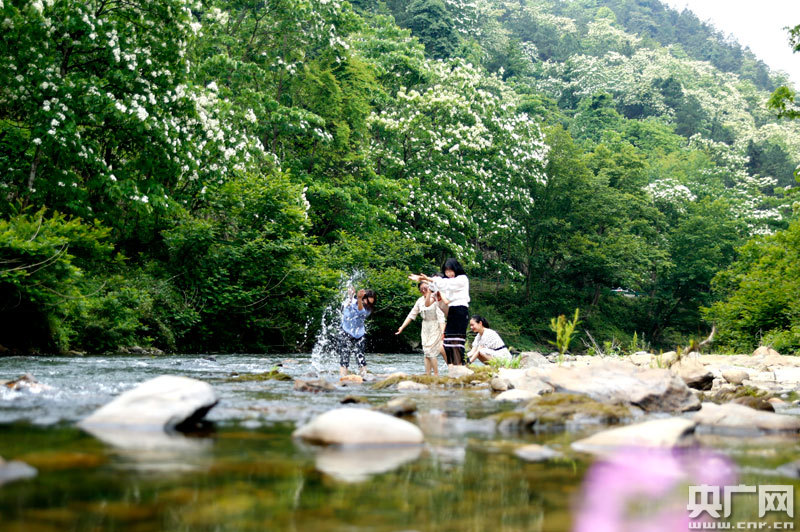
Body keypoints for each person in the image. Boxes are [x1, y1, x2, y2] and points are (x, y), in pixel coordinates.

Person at [409, 258, 470, 366]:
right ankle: (454, 366)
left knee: (456, 340)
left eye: (451, 270)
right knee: (448, 341)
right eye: (446, 271)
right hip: (452, 311)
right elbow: (437, 286)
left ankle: (461, 365)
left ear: (456, 269)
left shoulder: (462, 279)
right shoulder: (445, 283)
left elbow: (445, 284)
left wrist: (428, 279)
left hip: (460, 310)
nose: (449, 273)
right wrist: (424, 280)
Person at [396, 282, 446, 376]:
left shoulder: (435, 299)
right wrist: (402, 327)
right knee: (426, 351)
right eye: (421, 289)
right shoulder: (419, 301)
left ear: (430, 288)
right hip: (425, 327)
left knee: (431, 351)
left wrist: (443, 332)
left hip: (435, 325)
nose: (423, 290)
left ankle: (436, 374)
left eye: (425, 288)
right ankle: (427, 374)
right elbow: (412, 314)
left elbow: (441, 318)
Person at [339, 288, 376, 378]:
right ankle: (343, 378)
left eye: (371, 303)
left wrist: (359, 299)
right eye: (368, 302)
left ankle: (364, 377)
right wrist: (350, 296)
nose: (369, 304)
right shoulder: (353, 300)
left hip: (359, 334)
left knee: (360, 356)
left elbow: (360, 311)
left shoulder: (368, 310)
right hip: (346, 330)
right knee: (344, 356)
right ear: (363, 298)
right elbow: (344, 306)